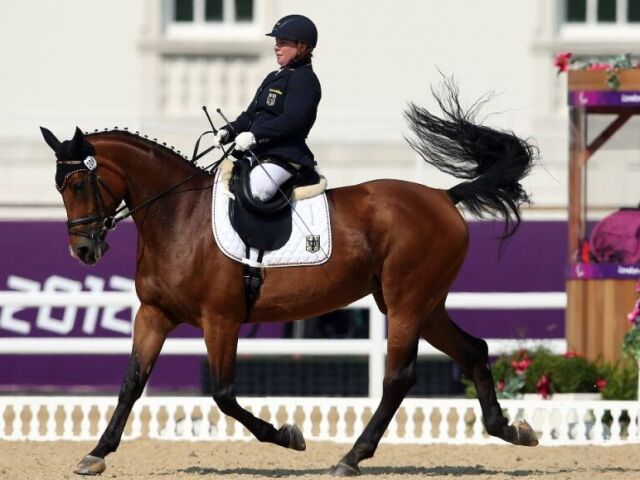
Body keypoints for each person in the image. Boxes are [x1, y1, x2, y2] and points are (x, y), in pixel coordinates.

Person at [213, 14, 322, 202]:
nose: (276, 47)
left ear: (302, 47)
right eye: (276, 42)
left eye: (282, 42)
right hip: (259, 153)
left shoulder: (304, 80)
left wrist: (255, 136)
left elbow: (293, 120)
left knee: (257, 192)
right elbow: (249, 116)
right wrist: (228, 132)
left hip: (284, 155)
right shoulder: (273, 77)